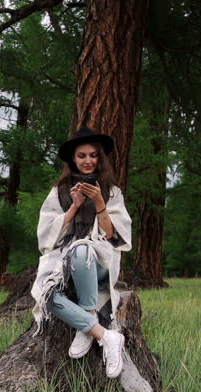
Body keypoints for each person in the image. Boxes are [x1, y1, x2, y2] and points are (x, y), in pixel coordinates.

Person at [30, 126, 132, 378]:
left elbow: (115, 236)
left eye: (93, 155)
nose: (87, 161)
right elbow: (46, 237)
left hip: (98, 265)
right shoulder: (59, 192)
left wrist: (99, 202)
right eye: (81, 156)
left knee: (82, 248)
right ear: (73, 160)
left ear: (100, 158)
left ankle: (86, 322)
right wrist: (74, 207)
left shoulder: (112, 192)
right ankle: (99, 332)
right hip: (65, 265)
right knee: (45, 295)